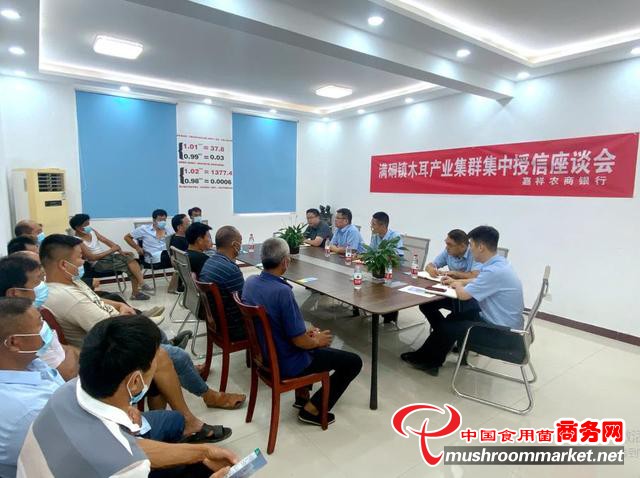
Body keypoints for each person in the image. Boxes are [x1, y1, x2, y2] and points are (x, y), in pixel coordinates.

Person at [17, 313, 238, 478]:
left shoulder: (64, 393)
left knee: (183, 436)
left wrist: (202, 451)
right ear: (134, 382)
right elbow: (125, 455)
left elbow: (131, 446)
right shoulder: (127, 468)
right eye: (155, 363)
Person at [41, 234, 246, 411]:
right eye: (79, 257)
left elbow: (95, 300)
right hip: (108, 350)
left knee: (159, 335)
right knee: (176, 355)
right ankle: (208, 395)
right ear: (63, 264)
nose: (83, 261)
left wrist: (119, 305)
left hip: (111, 331)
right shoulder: (69, 298)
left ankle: (182, 367)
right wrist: (130, 318)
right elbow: (108, 328)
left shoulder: (68, 283)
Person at [243, 238, 362, 426]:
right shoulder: (282, 292)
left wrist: (306, 334)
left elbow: (280, 324)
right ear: (285, 262)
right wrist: (316, 341)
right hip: (287, 361)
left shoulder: (250, 282)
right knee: (353, 362)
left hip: (264, 356)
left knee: (312, 339)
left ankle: (302, 397)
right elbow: (299, 342)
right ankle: (312, 410)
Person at [402, 226, 524, 376]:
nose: (469, 249)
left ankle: (428, 361)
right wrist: (460, 281)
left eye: (471, 245)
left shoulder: (494, 271)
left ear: (481, 247)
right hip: (503, 325)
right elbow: (478, 279)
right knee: (454, 317)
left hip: (502, 334)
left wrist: (458, 284)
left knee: (449, 326)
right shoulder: (500, 264)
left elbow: (463, 295)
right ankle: (426, 357)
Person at [0, 297, 65, 478]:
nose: (46, 328)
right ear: (14, 343)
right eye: (40, 323)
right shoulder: (29, 411)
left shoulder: (28, 361)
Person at [0, 255, 79, 381]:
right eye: (38, 282)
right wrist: (74, 355)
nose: (44, 285)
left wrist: (72, 354)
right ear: (14, 293)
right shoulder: (19, 327)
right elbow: (66, 374)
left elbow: (63, 349)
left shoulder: (35, 313)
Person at [70, 213, 151, 301]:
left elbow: (106, 241)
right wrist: (112, 250)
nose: (88, 226)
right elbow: (92, 258)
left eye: (88, 223)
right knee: (132, 266)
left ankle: (139, 287)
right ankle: (138, 290)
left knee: (130, 256)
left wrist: (120, 251)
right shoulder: (77, 241)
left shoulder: (91, 231)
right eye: (85, 224)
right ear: (78, 227)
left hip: (107, 257)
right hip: (98, 263)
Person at [418, 229, 482, 328]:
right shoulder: (448, 251)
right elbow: (430, 265)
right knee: (426, 304)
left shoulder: (475, 253)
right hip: (451, 291)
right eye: (446, 243)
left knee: (458, 312)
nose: (446, 247)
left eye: (450, 245)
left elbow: (475, 276)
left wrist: (455, 273)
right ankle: (441, 330)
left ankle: (444, 331)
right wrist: (431, 269)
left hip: (469, 297)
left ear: (462, 246)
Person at [199, 226, 247, 341]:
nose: (240, 246)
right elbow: (244, 303)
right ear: (235, 245)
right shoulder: (231, 269)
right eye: (240, 242)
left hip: (216, 323)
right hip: (234, 328)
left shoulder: (209, 262)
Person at [369, 211, 404, 323]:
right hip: (378, 269)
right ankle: (375, 306)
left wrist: (381, 257)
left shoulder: (395, 236)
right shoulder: (375, 236)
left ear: (382, 225)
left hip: (394, 271)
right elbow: (371, 252)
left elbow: (396, 257)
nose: (371, 226)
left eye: (373, 224)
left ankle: (389, 312)